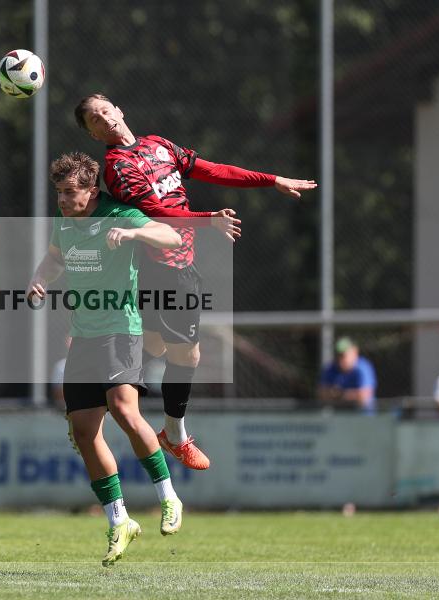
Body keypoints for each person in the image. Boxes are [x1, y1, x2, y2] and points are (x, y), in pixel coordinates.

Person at [74, 93, 316, 470]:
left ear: (120, 110)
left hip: (177, 265)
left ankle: (90, 412)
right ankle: (175, 435)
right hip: (160, 266)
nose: (105, 119)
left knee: (152, 346)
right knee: (188, 355)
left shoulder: (158, 145)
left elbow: (212, 169)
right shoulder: (118, 166)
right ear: (93, 134)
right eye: (95, 120)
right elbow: (158, 213)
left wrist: (272, 180)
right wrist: (209, 220)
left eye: (106, 111)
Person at [28, 152, 192, 566]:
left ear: (92, 189)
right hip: (82, 337)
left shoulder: (121, 213)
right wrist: (39, 277)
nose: (63, 200)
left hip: (121, 330)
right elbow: (54, 257)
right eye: (59, 193)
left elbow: (173, 237)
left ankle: (168, 496)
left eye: (71, 192)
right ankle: (119, 520)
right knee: (83, 431)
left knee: (122, 408)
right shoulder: (64, 222)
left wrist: (136, 235)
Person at [318, 337, 377, 414]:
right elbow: (322, 394)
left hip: (363, 418)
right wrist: (350, 395)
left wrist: (339, 394)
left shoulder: (363, 368)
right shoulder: (330, 368)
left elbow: (364, 397)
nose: (341, 358)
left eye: (344, 355)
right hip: (339, 418)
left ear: (355, 352)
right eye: (339, 354)